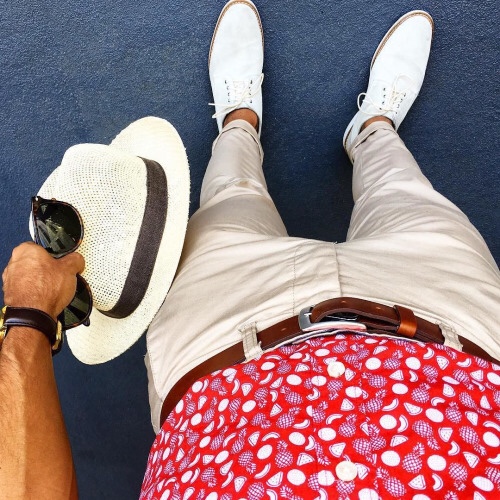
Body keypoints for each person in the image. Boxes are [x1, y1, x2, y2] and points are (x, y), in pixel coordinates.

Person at [1, 1, 499, 498]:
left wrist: (28, 315)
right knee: (405, 191)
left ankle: (239, 122)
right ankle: (374, 130)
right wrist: (29, 312)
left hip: (216, 357)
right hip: (457, 339)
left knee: (230, 198)